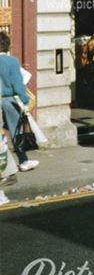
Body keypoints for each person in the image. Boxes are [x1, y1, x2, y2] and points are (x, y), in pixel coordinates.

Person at [0, 32, 39, 172]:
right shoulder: (12, 61)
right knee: (16, 131)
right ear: (7, 46)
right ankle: (23, 161)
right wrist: (25, 100)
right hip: (9, 101)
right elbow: (18, 85)